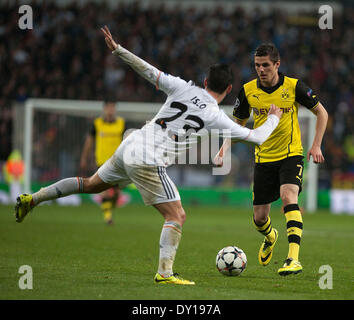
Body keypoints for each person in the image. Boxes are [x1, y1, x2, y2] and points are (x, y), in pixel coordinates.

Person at [14, 26, 282, 285]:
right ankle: (165, 274)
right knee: (176, 216)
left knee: (89, 184)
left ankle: (34, 198)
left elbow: (146, 69)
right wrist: (272, 119)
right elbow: (257, 137)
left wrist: (118, 50)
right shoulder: (214, 115)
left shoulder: (181, 87)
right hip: (148, 159)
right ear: (228, 89)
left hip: (130, 145)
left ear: (204, 81)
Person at [215, 43, 328, 276]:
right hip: (263, 158)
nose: (261, 69)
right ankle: (270, 236)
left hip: (291, 154)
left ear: (277, 64)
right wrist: (224, 148)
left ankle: (293, 259)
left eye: (266, 65)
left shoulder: (294, 87)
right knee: (259, 218)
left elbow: (322, 112)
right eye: (257, 65)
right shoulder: (247, 91)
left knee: (289, 197)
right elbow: (238, 125)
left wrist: (316, 144)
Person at [80, 100, 125, 225]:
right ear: (104, 109)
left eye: (112, 107)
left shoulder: (121, 123)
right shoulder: (97, 124)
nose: (110, 110)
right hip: (102, 162)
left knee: (116, 193)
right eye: (108, 107)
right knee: (105, 189)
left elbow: (127, 141)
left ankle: (109, 209)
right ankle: (108, 218)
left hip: (118, 162)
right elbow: (89, 141)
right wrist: (84, 157)